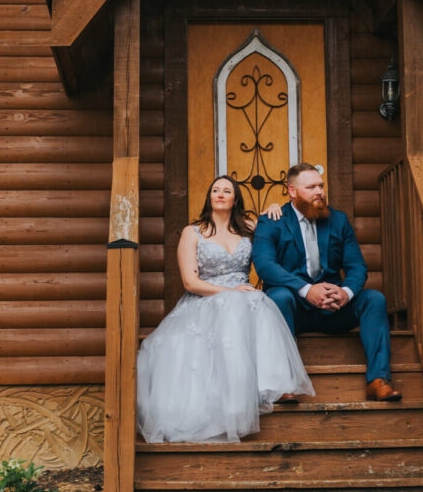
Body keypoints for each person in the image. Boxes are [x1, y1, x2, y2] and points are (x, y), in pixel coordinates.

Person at [136, 175, 314, 443]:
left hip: (244, 297)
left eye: (227, 191)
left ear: (235, 199)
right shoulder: (192, 232)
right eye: (215, 190)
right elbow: (190, 282)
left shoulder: (250, 228)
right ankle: (226, 403)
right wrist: (230, 292)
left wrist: (275, 207)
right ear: (209, 197)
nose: (220, 194)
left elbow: (277, 228)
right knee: (237, 304)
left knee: (258, 303)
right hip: (205, 299)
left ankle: (272, 386)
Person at [252, 161, 401, 401]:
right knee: (278, 296)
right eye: (311, 187)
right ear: (292, 191)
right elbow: (265, 266)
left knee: (374, 299)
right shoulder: (272, 221)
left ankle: (378, 380)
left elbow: (357, 266)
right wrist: (306, 289)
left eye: (321, 186)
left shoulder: (338, 221)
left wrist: (346, 293)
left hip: (334, 308)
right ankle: (282, 385)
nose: (320, 192)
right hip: (294, 310)